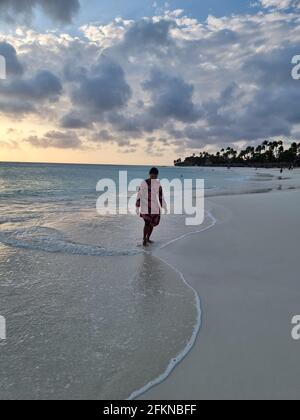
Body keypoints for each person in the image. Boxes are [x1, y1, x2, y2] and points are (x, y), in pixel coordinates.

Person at [136, 167, 167, 247]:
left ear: (157, 176)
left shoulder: (158, 185)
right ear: (149, 174)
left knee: (152, 224)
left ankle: (148, 238)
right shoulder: (144, 183)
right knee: (146, 223)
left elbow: (160, 196)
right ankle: (144, 239)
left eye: (155, 176)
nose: (154, 177)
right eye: (152, 176)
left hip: (154, 206)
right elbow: (139, 194)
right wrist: (137, 204)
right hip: (145, 206)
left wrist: (164, 205)